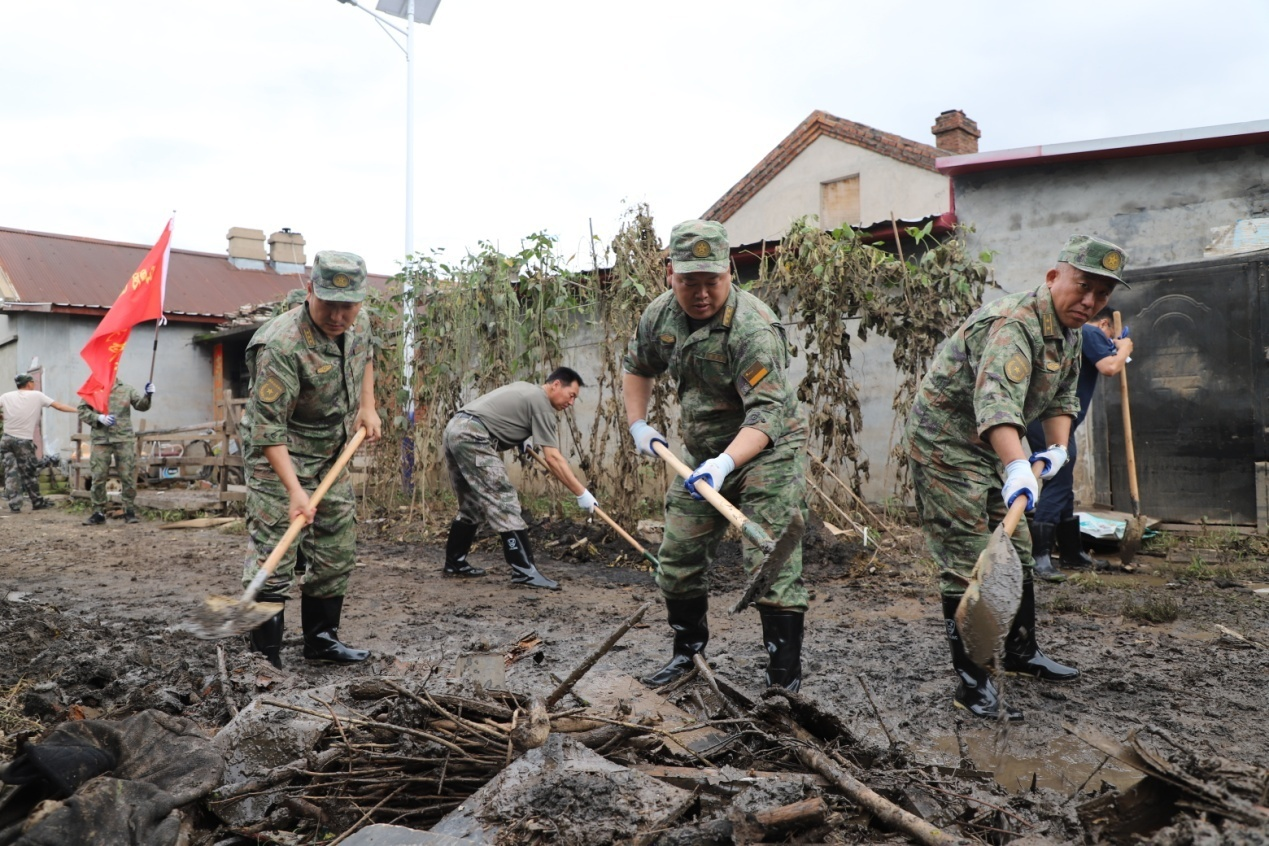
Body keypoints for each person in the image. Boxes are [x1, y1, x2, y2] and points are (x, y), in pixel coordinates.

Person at [906, 234, 1130, 721]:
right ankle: (973, 683)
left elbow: (1061, 400)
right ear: (1054, 277)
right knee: (969, 555)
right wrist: (1015, 467)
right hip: (946, 442)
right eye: (1082, 286)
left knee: (1020, 546)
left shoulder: (1071, 333)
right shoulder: (1015, 325)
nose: (1090, 300)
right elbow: (997, 405)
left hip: (989, 444)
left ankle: (1021, 653)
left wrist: (1052, 450)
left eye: (1102, 293)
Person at [623, 219, 810, 692]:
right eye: (690, 282)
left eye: (713, 281)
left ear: (730, 272)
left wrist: (726, 464)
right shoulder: (660, 316)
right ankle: (688, 657)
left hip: (768, 450)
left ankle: (782, 679)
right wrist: (638, 423)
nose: (702, 293)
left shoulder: (753, 328)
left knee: (768, 558)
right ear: (671, 273)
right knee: (678, 555)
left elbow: (767, 414)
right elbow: (638, 365)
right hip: (700, 454)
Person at [239, 250, 382, 669]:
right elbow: (268, 431)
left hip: (332, 451)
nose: (339, 316)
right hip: (279, 455)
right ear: (309, 292)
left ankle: (321, 640)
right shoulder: (279, 345)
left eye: (348, 306)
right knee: (275, 553)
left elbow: (367, 354)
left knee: (336, 547)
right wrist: (295, 492)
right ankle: (263, 661)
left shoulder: (361, 321)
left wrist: (367, 407)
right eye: (328, 305)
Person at [441, 368, 595, 590]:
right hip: (472, 435)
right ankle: (524, 570)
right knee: (504, 499)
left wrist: (520, 437)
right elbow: (553, 458)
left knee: (471, 505)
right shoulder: (542, 403)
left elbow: (500, 415)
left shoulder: (526, 389)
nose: (571, 403)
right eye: (571, 395)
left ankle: (455, 563)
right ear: (556, 385)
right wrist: (582, 493)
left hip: (456, 428)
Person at [1026, 306, 1133, 579]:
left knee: (1062, 482)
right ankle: (1040, 557)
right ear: (1106, 324)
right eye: (1111, 333)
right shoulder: (1090, 330)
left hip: (1048, 418)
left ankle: (1072, 553)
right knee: (1059, 480)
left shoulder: (1080, 334)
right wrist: (1124, 346)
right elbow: (1109, 367)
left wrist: (1117, 348)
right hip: (1050, 420)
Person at [78, 379, 154, 525]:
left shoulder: (126, 388)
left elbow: (141, 406)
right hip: (101, 439)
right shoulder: (93, 388)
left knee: (127, 475)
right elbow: (82, 410)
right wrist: (98, 417)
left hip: (123, 438)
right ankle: (98, 512)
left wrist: (148, 395)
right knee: (98, 476)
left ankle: (129, 511)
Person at [0, 375, 77, 512]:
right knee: (29, 472)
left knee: (11, 472)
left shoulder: (5, 396)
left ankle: (15, 505)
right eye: (32, 382)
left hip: (6, 439)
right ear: (28, 384)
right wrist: (78, 410)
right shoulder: (37, 395)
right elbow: (58, 406)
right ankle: (37, 502)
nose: (33, 384)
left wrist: (2, 417)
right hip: (23, 441)